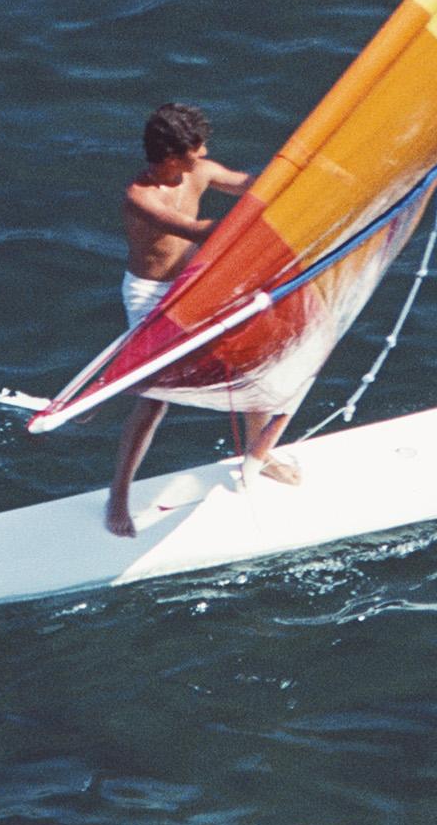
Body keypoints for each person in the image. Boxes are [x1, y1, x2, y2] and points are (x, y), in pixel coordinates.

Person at [106, 103, 299, 534]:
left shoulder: (200, 170)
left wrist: (299, 177)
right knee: (155, 399)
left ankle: (257, 452)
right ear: (173, 156)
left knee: (253, 357)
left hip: (197, 283)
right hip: (151, 294)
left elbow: (249, 184)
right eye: (197, 148)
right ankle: (117, 496)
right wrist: (261, 218)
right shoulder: (140, 197)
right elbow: (199, 232)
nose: (205, 152)